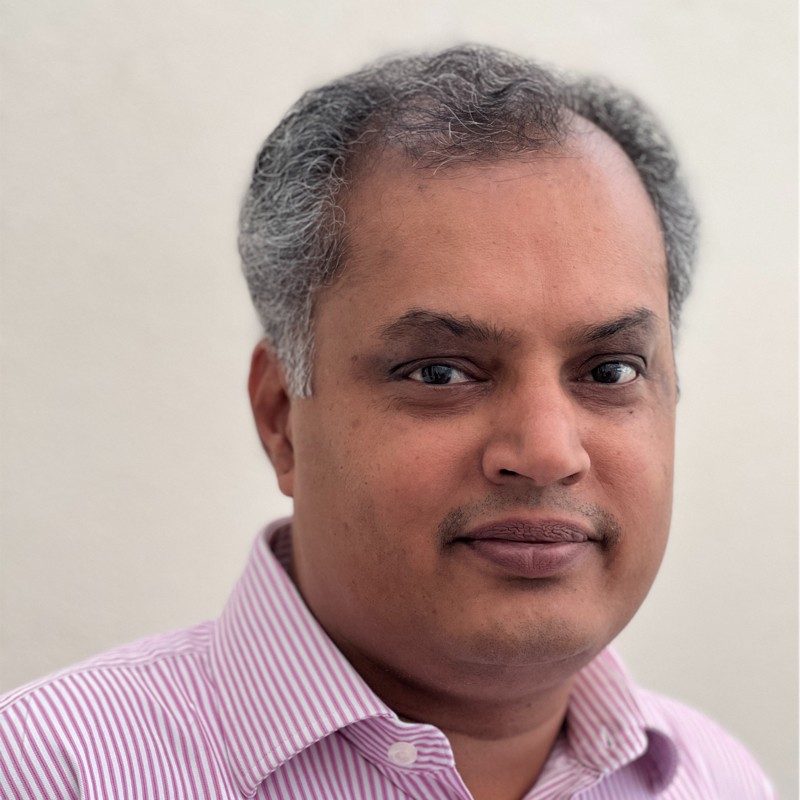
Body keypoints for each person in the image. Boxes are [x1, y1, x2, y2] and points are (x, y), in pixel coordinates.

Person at [0, 44, 775, 799]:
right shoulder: (50, 775)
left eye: (610, 371)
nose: (545, 451)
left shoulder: (719, 780)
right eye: (440, 373)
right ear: (281, 419)